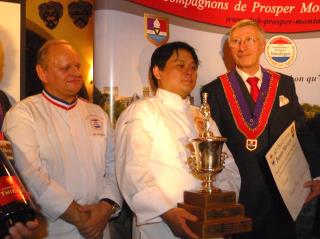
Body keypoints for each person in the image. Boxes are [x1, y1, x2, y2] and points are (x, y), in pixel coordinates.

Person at [201, 19, 320, 239]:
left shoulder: (284, 83)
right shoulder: (214, 90)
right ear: (229, 50)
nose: (242, 46)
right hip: (238, 198)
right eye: (235, 41)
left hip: (284, 198)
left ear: (263, 45)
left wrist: (318, 175)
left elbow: (301, 132)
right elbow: (213, 147)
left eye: (249, 40)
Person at [115, 41, 240, 239]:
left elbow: (228, 166)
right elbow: (132, 171)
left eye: (193, 67)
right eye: (180, 65)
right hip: (161, 226)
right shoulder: (142, 111)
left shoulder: (202, 116)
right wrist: (168, 212)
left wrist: (219, 204)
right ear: (157, 71)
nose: (189, 71)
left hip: (209, 226)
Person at [2, 39, 122, 238]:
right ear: (43, 73)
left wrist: (106, 207)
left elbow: (115, 166)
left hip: (100, 227)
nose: (75, 73)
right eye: (65, 68)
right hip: (53, 229)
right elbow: (29, 175)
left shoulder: (97, 113)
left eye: (77, 66)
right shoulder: (23, 113)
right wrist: (79, 217)